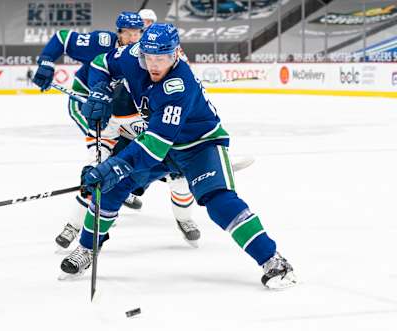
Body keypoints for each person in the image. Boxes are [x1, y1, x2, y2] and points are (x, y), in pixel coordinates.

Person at [60, 23, 297, 289]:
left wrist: (114, 165)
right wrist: (99, 89)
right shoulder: (133, 56)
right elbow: (101, 63)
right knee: (111, 189)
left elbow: (154, 148)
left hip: (199, 145)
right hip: (160, 142)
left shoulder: (178, 86)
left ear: (176, 54)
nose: (154, 65)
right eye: (149, 58)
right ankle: (87, 249)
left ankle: (273, 261)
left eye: (162, 58)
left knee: (219, 202)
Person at [32, 13, 201, 250]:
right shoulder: (107, 47)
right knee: (100, 169)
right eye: (129, 33)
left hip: (138, 115)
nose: (134, 38)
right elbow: (68, 42)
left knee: (176, 173)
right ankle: (75, 224)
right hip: (102, 109)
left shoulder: (162, 64)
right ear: (119, 32)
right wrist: (47, 62)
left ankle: (183, 217)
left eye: (139, 32)